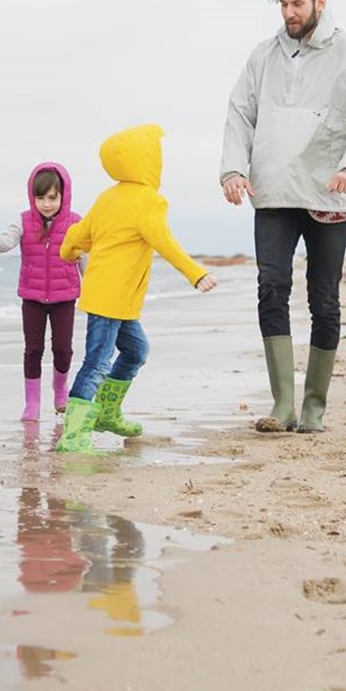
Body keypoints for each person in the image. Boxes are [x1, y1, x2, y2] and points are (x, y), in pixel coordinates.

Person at [220, 0, 346, 433]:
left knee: (324, 299)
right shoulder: (263, 55)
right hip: (272, 189)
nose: (289, 13)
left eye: (297, 3)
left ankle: (314, 408)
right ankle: (282, 405)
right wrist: (233, 169)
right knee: (271, 287)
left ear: (321, 1)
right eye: (283, 4)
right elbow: (239, 114)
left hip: (328, 191)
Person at [55, 124, 217, 453]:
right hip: (110, 298)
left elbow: (77, 236)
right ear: (148, 161)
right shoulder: (149, 201)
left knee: (136, 351)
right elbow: (164, 242)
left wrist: (69, 252)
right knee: (97, 363)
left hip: (117, 299)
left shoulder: (107, 198)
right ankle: (72, 436)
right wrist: (195, 273)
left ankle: (107, 413)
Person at [13, 162, 81, 421]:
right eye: (40, 198)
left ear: (64, 195)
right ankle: (32, 404)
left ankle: (60, 390)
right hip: (32, 298)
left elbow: (87, 261)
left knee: (63, 349)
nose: (46, 204)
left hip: (65, 297)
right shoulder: (23, 221)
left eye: (52, 197)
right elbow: (3, 243)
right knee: (33, 350)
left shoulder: (75, 223)